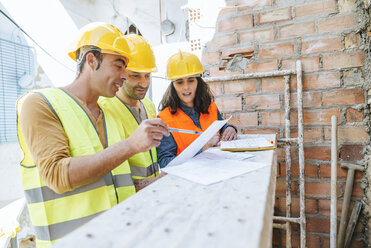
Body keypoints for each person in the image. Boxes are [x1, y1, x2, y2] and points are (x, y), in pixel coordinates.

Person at [16, 22, 169, 247]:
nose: (125, 76)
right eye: (119, 65)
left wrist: (159, 182)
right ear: (91, 60)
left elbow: (115, 185)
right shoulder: (39, 104)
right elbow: (57, 176)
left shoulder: (111, 114)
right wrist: (130, 145)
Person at [99, 34, 164, 191]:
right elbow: (107, 171)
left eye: (147, 76)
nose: (143, 83)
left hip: (152, 193)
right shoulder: (104, 109)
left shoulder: (148, 105)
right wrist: (151, 183)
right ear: (122, 74)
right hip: (125, 199)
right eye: (135, 76)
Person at [157, 50, 237, 168]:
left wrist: (230, 128)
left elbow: (220, 128)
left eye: (191, 80)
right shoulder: (165, 120)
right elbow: (165, 163)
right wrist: (202, 149)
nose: (186, 87)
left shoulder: (211, 108)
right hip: (186, 180)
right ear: (173, 86)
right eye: (179, 82)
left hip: (217, 170)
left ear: (198, 82)